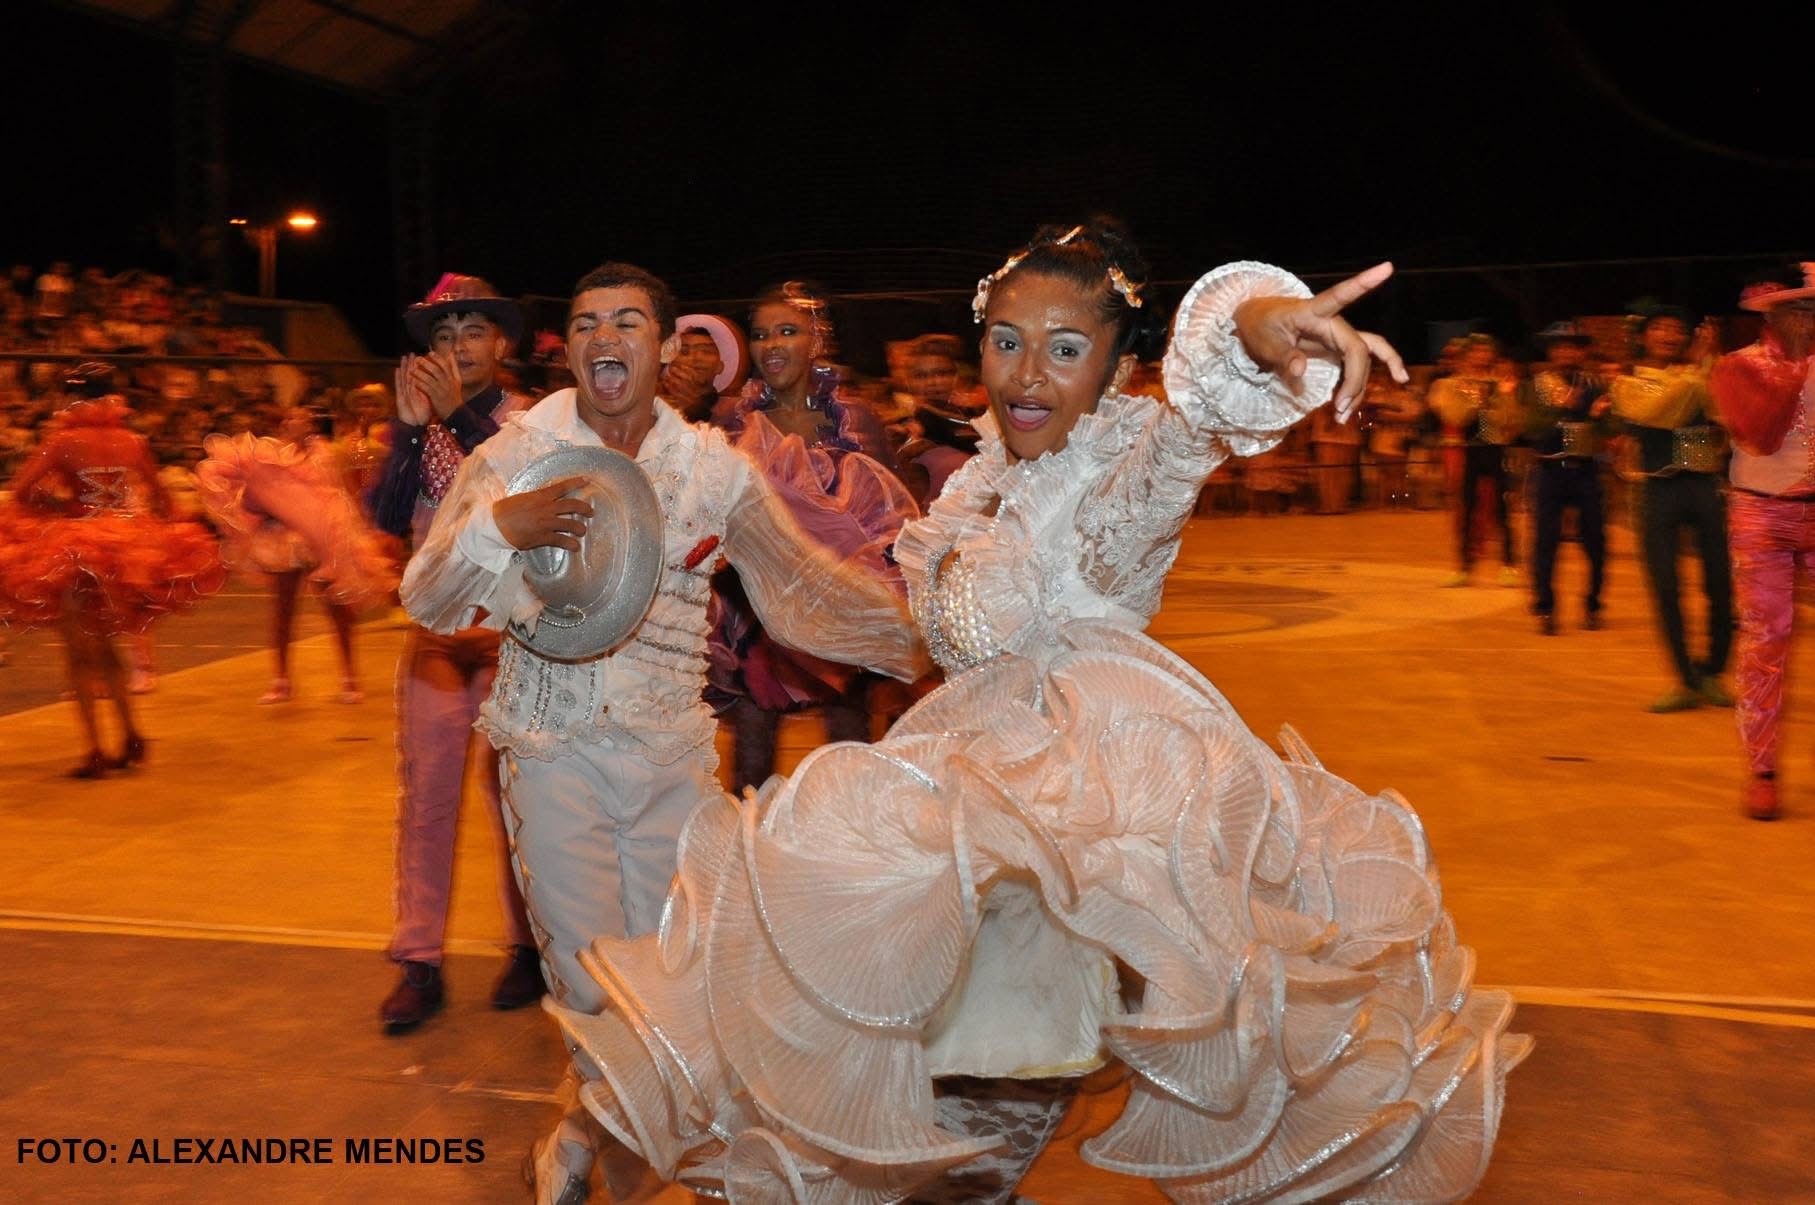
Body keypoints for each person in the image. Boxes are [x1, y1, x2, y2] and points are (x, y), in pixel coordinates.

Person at [549, 223, 1527, 1203]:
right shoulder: (985, 477)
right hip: (966, 823)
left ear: (1117, 366)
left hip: (1057, 854)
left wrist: (1254, 329)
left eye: (1065, 348)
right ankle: (608, 1129)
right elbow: (899, 627)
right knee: (875, 1089)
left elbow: (1190, 430)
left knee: (932, 1122)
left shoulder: (1124, 468)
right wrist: (755, 543)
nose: (1026, 373)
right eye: (1006, 340)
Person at [397, 261, 928, 1202]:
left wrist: (928, 642)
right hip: (551, 754)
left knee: (675, 992)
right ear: (570, 348)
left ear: (666, 343)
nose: (605, 337)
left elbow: (803, 589)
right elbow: (430, 597)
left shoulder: (712, 470)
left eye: (627, 321)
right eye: (586, 322)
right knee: (591, 981)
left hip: (673, 765)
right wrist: (499, 527)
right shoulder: (519, 453)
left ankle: (580, 1135)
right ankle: (587, 1146)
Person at [367, 275, 545, 1030]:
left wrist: (456, 416)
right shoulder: (418, 421)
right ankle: (419, 958)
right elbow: (384, 516)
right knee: (427, 798)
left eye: (473, 332)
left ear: (501, 343)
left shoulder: (530, 420)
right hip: (438, 637)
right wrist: (410, 433)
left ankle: (529, 944)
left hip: (513, 637)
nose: (457, 347)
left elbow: (522, 483)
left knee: (518, 799)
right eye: (442, 336)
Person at [709, 282, 919, 793]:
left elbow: (891, 517)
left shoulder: (855, 419)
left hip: (843, 610)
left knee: (849, 763)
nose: (772, 345)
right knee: (751, 770)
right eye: (761, 334)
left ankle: (849, 844)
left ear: (816, 340)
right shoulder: (733, 421)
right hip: (758, 613)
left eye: (788, 331)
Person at [0, 363, 223, 775]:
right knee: (106, 648)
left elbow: (22, 490)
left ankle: (95, 750)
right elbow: (161, 499)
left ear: (73, 397)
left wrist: (60, 505)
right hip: (125, 551)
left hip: (77, 552)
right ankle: (131, 733)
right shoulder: (133, 441)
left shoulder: (63, 441)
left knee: (79, 654)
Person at [1709, 263, 1815, 820]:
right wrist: (1794, 367)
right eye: (1801, 309)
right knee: (1768, 640)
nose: (1812, 321)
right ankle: (1762, 770)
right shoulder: (1738, 367)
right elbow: (1761, 436)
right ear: (1775, 313)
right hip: (1761, 516)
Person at [196, 405, 397, 703]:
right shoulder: (268, 456)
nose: (297, 422)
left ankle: (349, 678)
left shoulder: (324, 453)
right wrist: (266, 510)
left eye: (303, 418)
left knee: (336, 607)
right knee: (283, 609)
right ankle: (281, 680)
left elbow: (340, 492)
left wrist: (354, 528)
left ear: (311, 424)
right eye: (291, 418)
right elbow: (250, 494)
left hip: (322, 538)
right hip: (284, 539)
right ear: (283, 425)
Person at [1610, 309, 1733, 713]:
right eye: (1659, 328)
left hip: (1703, 485)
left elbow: (1725, 412)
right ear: (1644, 337)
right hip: (1657, 488)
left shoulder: (1701, 372)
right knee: (1665, 585)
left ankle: (1712, 671)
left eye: (1677, 329)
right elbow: (1662, 412)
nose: (1669, 334)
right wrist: (1699, 371)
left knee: (1720, 581)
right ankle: (1685, 679)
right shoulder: (1629, 383)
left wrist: (1707, 368)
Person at [1523, 322, 1612, 633]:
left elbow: (1610, 427)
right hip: (1549, 470)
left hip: (1586, 470)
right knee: (1545, 542)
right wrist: (1559, 409)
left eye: (1572, 347)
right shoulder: (1538, 385)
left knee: (1596, 542)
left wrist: (1598, 418)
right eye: (1559, 347)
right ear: (1550, 352)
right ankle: (1545, 608)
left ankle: (1593, 605)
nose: (1566, 352)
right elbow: (1529, 427)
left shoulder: (1594, 383)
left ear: (1581, 352)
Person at [1429, 334, 1522, 585]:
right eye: (1476, 351)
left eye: (1485, 351)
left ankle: (1509, 564)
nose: (1481, 356)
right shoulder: (1454, 384)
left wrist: (1500, 399)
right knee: (1467, 508)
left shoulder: (1500, 383)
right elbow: (1454, 417)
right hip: (1470, 449)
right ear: (1467, 355)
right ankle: (1463, 567)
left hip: (1495, 449)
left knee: (1502, 509)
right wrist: (1475, 401)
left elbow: (1509, 419)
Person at [894, 334, 987, 508]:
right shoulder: (908, 428)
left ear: (955, 376)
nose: (933, 382)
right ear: (908, 382)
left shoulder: (972, 415)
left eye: (941, 373)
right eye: (921, 376)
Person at [662, 313, 744, 423]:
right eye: (684, 351)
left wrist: (693, 408)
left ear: (720, 366)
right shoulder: (654, 401)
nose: (695, 358)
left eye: (706, 351)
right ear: (672, 362)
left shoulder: (737, 410)